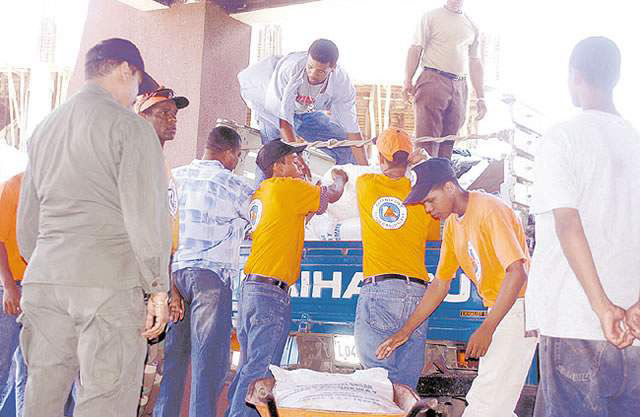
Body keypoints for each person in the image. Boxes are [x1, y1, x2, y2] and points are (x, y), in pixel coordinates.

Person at [16, 38, 170, 417]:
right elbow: (145, 216)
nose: (135, 95)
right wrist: (158, 289)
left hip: (45, 281)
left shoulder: (43, 130)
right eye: (137, 85)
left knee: (41, 400)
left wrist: (50, 265)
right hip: (107, 283)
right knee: (106, 401)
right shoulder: (131, 128)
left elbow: (27, 225)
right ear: (124, 71)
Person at [527, 36, 640, 417]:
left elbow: (568, 225)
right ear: (617, 77)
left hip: (577, 319)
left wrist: (602, 306)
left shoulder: (564, 136)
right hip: (635, 331)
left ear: (574, 76)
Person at [377, 158, 537, 417]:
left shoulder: (490, 210)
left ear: (450, 187)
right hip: (502, 309)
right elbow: (440, 283)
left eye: (430, 200)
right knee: (496, 400)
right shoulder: (453, 224)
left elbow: (517, 272)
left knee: (487, 402)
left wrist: (487, 327)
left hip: (518, 309)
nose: (427, 209)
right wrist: (405, 331)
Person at [226, 139, 348, 417]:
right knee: (260, 371)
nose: (299, 164)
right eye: (293, 160)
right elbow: (330, 196)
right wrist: (339, 179)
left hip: (252, 289)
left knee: (248, 366)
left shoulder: (263, 192)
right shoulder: (289, 188)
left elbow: (297, 219)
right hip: (270, 294)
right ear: (278, 166)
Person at [154, 126, 255, 417]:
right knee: (207, 364)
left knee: (174, 360)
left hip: (176, 277)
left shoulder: (176, 176)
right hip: (210, 278)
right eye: (237, 156)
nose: (236, 162)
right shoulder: (231, 183)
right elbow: (259, 218)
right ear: (229, 153)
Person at [353, 128, 439, 388]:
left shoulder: (366, 184)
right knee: (405, 385)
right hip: (418, 295)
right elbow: (434, 237)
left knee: (378, 381)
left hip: (381, 291)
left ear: (381, 158)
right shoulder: (423, 196)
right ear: (409, 158)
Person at [134, 86, 190, 416]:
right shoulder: (135, 163)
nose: (172, 120)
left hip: (158, 288)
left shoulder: (165, 168)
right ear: (141, 118)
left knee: (148, 383)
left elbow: (166, 240)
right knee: (120, 382)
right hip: (136, 290)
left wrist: (172, 291)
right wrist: (151, 289)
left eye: (174, 114)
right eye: (162, 113)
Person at [238, 38, 368, 177]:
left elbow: (352, 131)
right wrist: (298, 158)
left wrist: (367, 171)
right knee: (273, 156)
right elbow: (284, 122)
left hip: (304, 110)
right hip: (267, 101)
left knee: (343, 143)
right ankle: (264, 196)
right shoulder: (290, 69)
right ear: (307, 57)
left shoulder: (342, 84)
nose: (312, 74)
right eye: (310, 67)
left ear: (333, 68)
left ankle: (353, 185)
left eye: (321, 71)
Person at [404, 0, 486, 159]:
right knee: (426, 143)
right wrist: (408, 80)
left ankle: (442, 182)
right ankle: (424, 181)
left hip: (460, 85)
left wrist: (481, 97)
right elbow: (415, 48)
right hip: (433, 79)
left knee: (449, 142)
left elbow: (475, 61)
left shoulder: (472, 24)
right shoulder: (431, 17)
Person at [0, 173, 27, 416]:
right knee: (2, 364)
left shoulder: (56, 187)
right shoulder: (13, 186)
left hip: (42, 290)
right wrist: (9, 287)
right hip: (12, 288)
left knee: (30, 373)